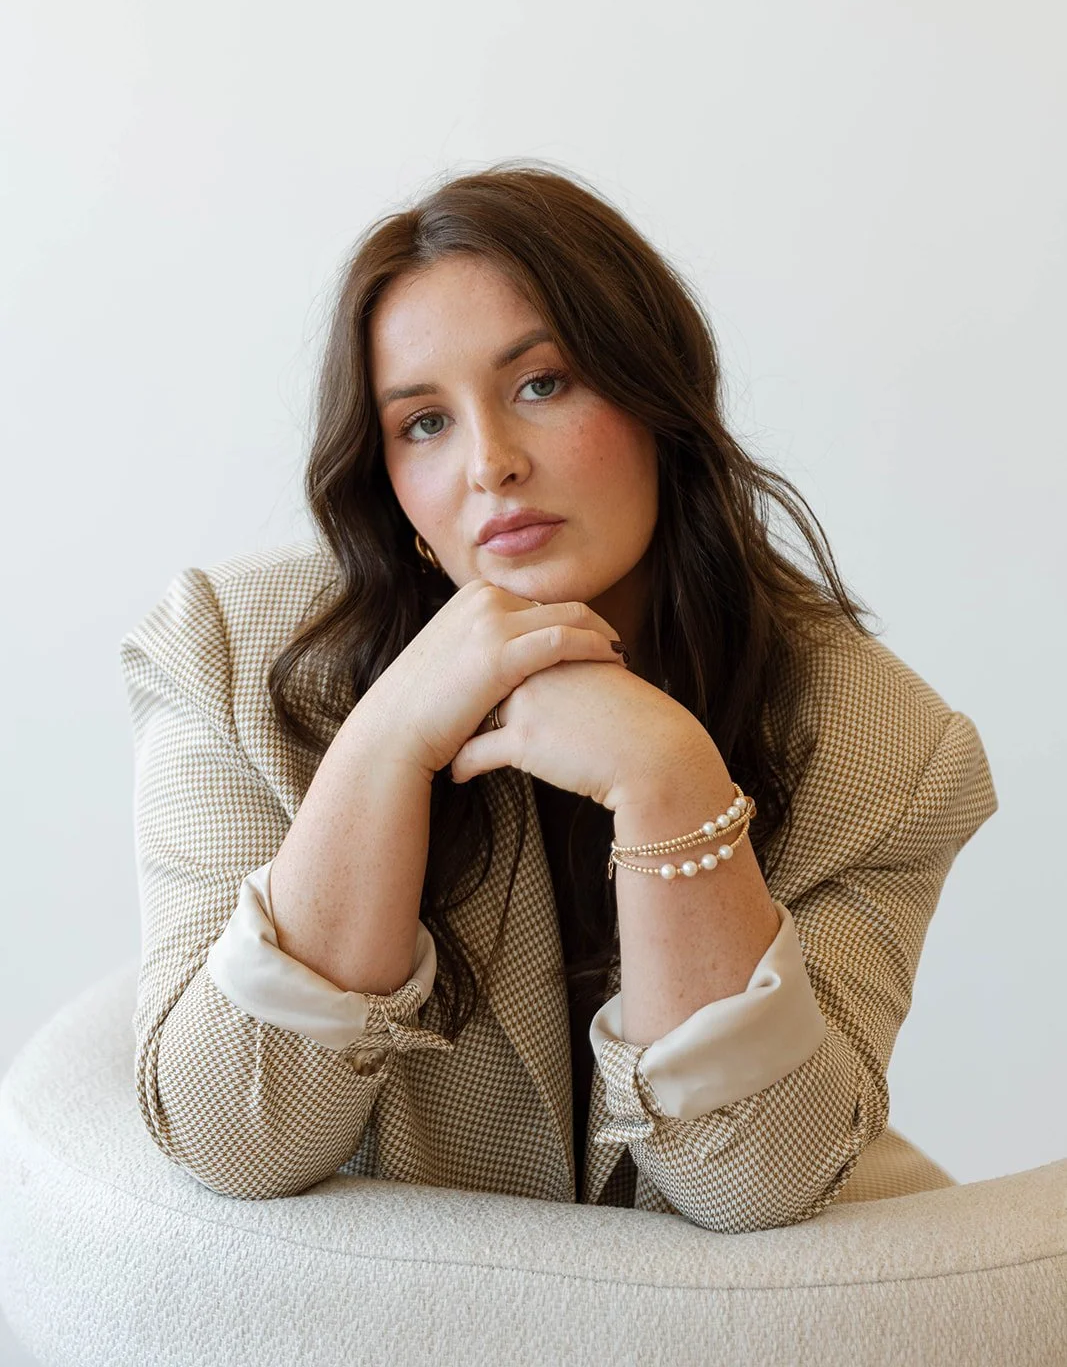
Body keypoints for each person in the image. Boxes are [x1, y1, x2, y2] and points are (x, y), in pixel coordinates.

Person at [120, 162, 998, 1233]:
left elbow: (753, 1183)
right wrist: (388, 739)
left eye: (541, 384)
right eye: (423, 423)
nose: (490, 464)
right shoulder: (232, 656)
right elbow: (231, 1136)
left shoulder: (884, 745)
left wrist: (669, 781)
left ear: (656, 399)